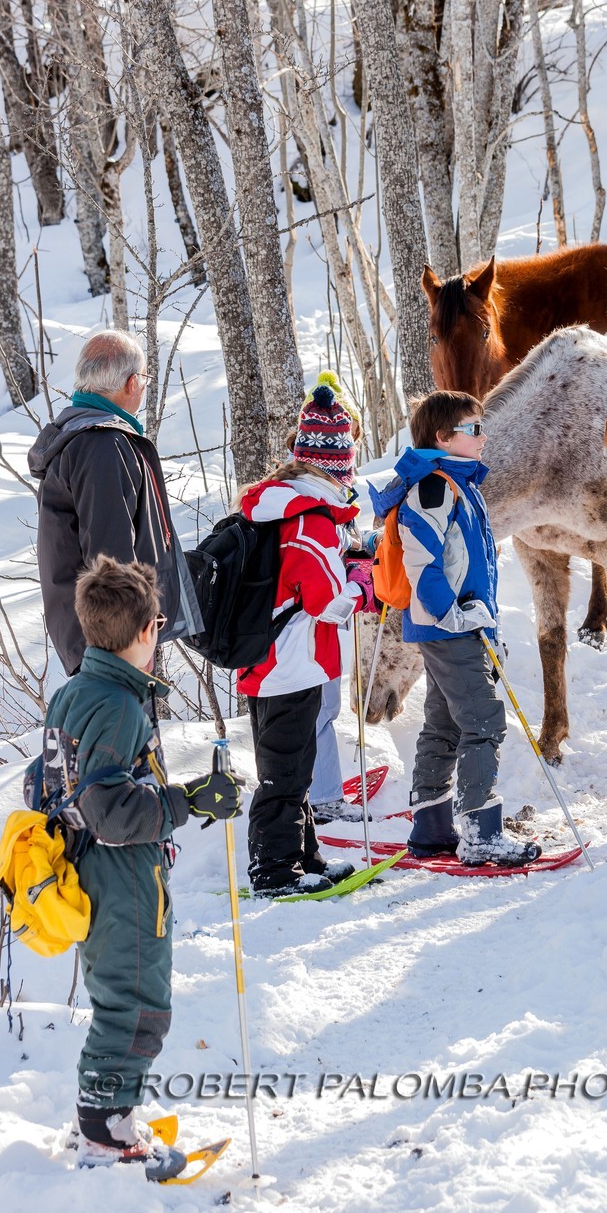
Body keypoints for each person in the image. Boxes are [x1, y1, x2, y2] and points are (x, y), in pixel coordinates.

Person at [37, 554, 241, 1180]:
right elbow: (107, 811)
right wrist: (189, 801)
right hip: (121, 881)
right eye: (158, 620)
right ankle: (105, 1129)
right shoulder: (120, 706)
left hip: (98, 873)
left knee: (121, 999)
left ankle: (107, 1113)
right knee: (137, 1006)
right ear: (147, 630)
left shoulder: (76, 690)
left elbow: (47, 784)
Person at [368, 391, 541, 866]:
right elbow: (424, 563)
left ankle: (431, 828)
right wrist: (455, 615)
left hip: (452, 626)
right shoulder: (435, 487)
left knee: (444, 724)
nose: (483, 438)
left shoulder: (454, 484)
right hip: (449, 627)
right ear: (443, 437)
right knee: (484, 721)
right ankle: (481, 832)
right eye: (474, 430)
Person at [237, 375, 378, 896]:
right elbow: (327, 602)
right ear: (338, 463)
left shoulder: (280, 506)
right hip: (292, 662)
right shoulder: (311, 520)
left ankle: (304, 857)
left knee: (293, 769)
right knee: (284, 777)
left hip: (267, 659)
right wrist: (362, 578)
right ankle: (273, 873)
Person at [28, 328, 201, 676]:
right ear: (131, 382)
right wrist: (127, 644)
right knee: (123, 729)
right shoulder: (102, 445)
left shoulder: (86, 438)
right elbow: (111, 557)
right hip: (111, 641)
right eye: (145, 379)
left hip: (101, 635)